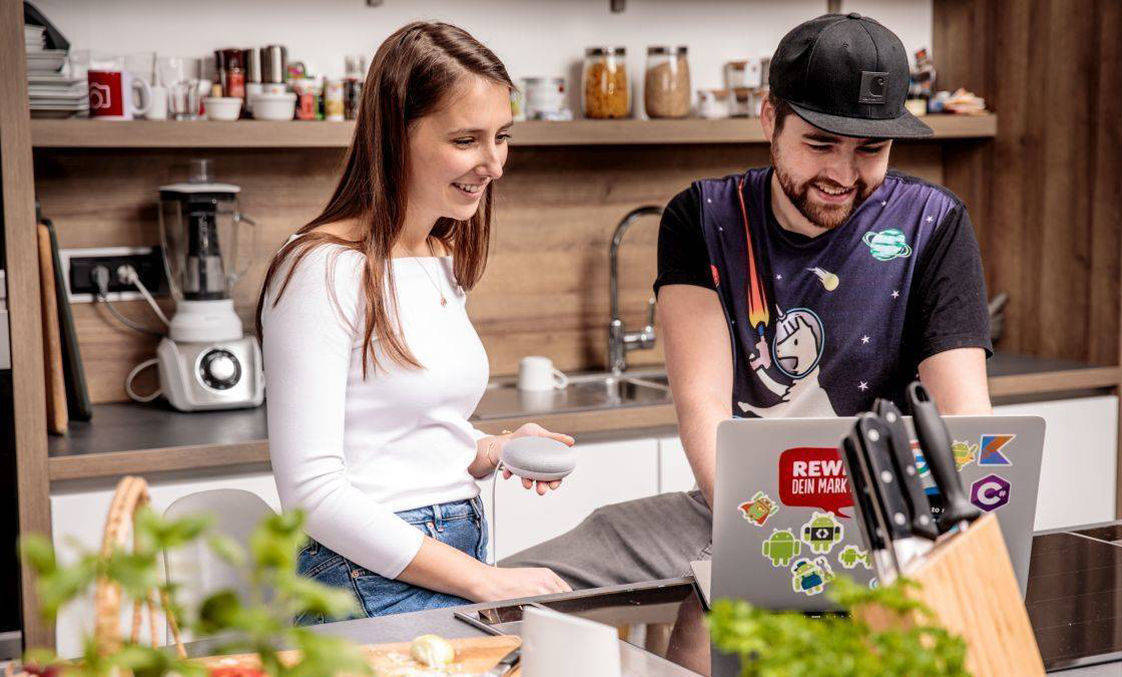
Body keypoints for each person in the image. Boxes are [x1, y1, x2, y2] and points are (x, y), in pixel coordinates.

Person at [501, 13, 993, 589]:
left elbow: (964, 426)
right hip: (738, 505)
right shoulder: (702, 218)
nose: (842, 172)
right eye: (820, 143)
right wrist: (766, 544)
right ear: (769, 118)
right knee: (515, 583)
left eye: (871, 149)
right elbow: (705, 407)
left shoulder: (935, 224)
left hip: (890, 524)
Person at [256, 22, 573, 623]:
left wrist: (500, 449)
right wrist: (481, 580)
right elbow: (313, 495)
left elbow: (409, 440)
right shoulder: (319, 270)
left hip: (452, 550)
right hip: (361, 578)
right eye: (466, 140)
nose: (494, 164)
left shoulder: (437, 255)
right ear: (393, 136)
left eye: (501, 137)